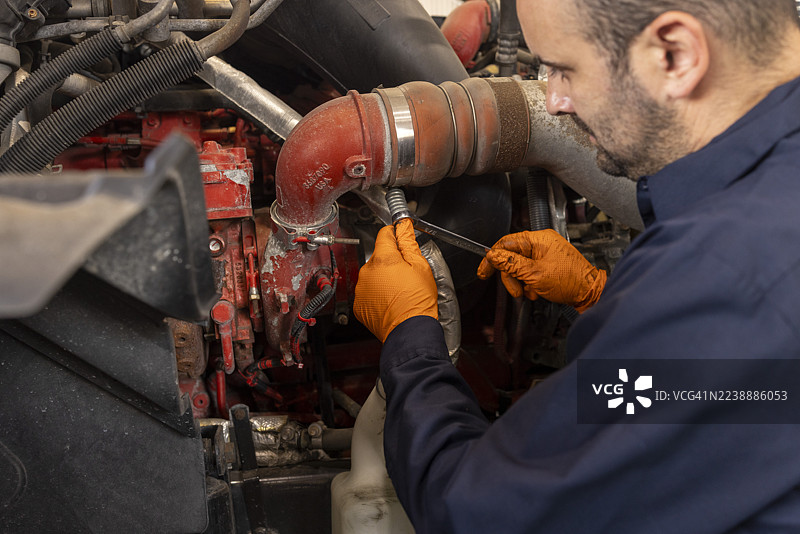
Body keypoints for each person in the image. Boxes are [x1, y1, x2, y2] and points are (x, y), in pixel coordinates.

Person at [353, 0, 800, 532]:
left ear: (675, 54)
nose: (555, 101)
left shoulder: (720, 276)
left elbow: (482, 513)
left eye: (564, 69)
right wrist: (601, 293)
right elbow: (750, 386)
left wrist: (409, 340)